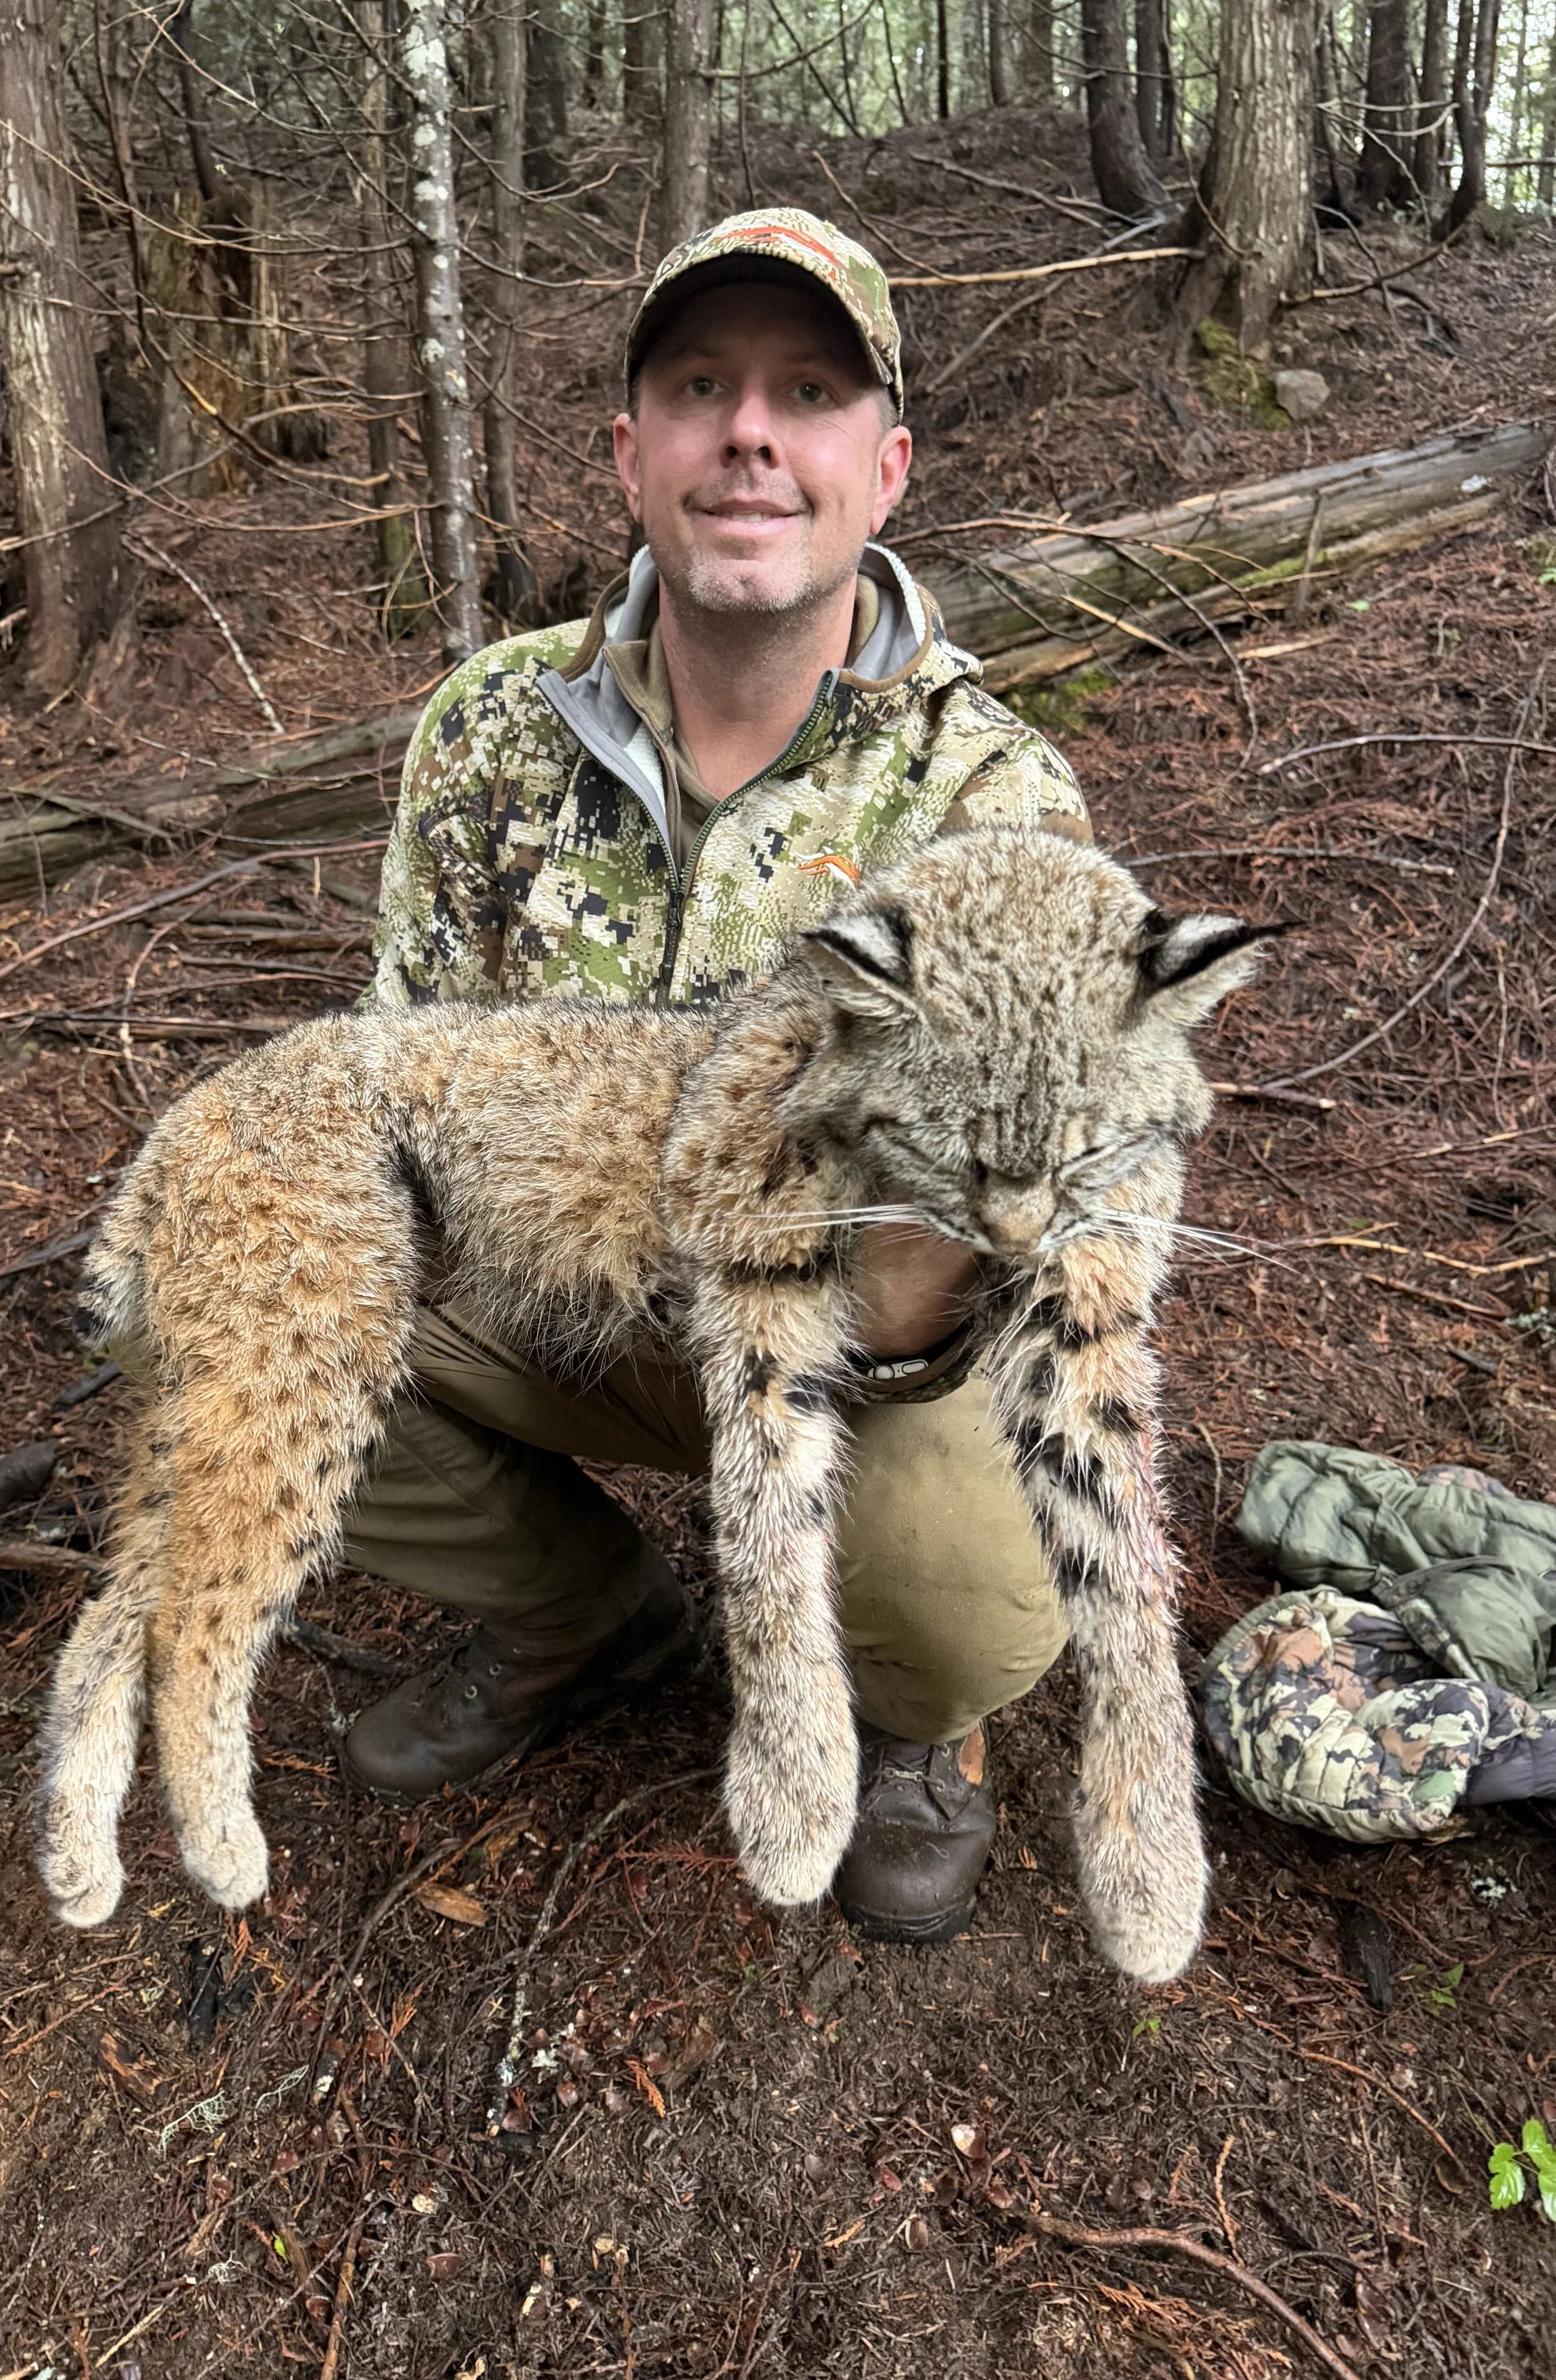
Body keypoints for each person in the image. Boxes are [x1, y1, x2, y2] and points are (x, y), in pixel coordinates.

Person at [338, 209, 1090, 1944]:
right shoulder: (487, 734)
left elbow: (1009, 1226)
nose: (748, 432)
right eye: (698, 386)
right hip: (569, 1285)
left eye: (806, 390)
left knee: (973, 1603)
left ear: (882, 467)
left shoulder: (994, 806)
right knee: (223, 1298)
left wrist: (905, 1282)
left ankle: (910, 1722)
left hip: (857, 1360)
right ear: (630, 453)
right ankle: (583, 1613)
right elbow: (400, 1076)